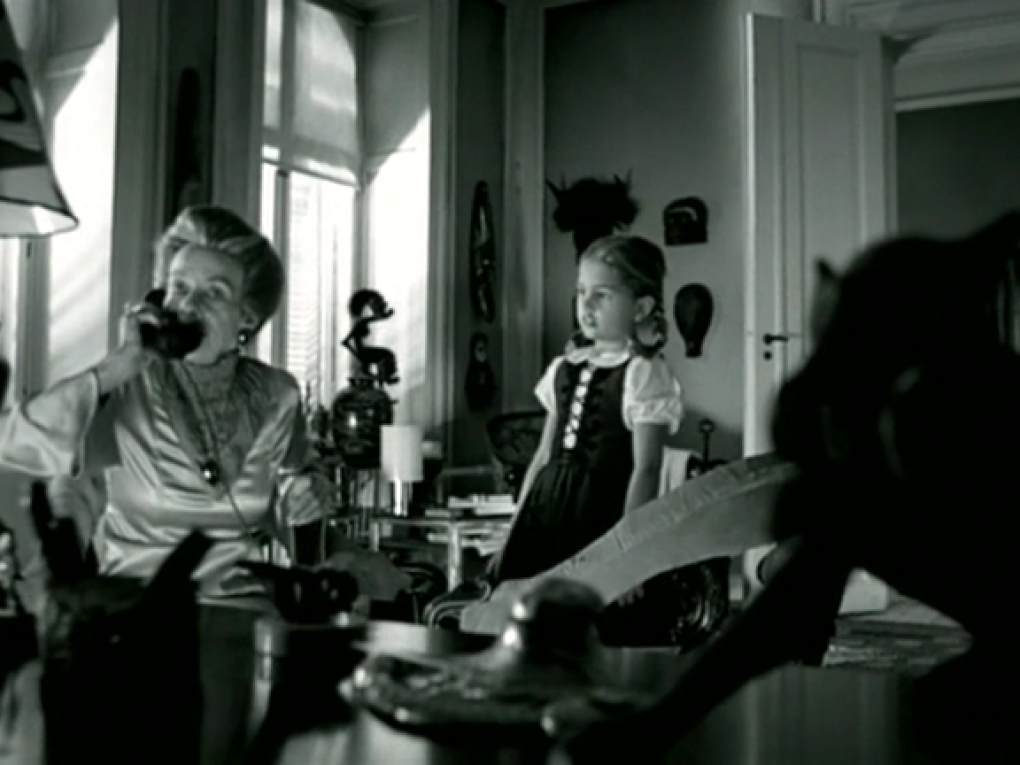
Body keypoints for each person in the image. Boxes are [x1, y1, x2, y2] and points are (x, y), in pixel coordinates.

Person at [0, 205, 408, 763]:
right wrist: (119, 364)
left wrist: (308, 497)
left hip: (240, 622)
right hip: (133, 620)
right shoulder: (127, 386)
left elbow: (294, 516)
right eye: (179, 287)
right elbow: (16, 443)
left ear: (246, 317)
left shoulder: (277, 396)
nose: (189, 304)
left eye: (214, 292)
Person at [475, 234, 685, 643]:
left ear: (640, 307)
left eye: (602, 295)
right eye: (581, 292)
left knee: (588, 626)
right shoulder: (563, 368)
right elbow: (542, 457)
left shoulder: (643, 373)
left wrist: (627, 554)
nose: (586, 306)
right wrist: (511, 534)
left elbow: (646, 468)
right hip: (545, 513)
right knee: (528, 625)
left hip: (600, 515)